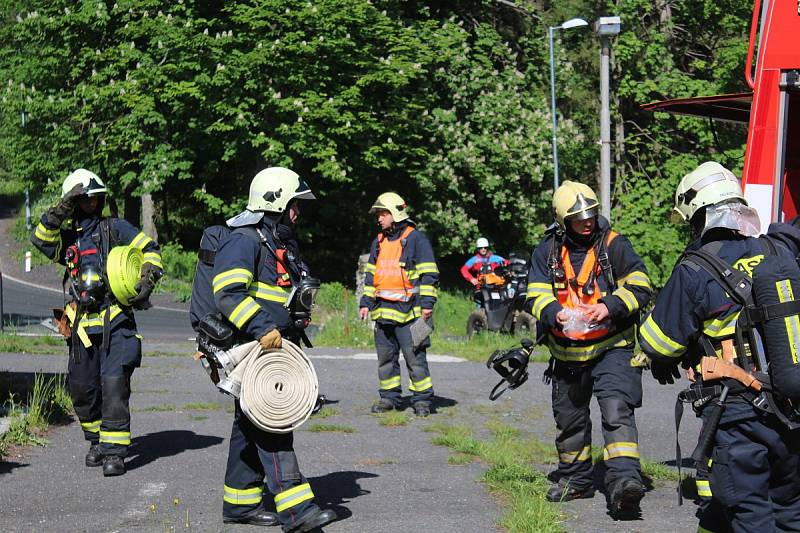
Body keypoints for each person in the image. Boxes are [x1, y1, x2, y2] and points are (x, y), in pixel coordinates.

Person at [638, 161, 800, 532]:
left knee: (750, 514)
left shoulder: (695, 268)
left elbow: (658, 342)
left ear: (699, 215)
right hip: (790, 407)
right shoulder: (778, 250)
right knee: (790, 510)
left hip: (739, 411)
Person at [211, 167, 337, 531]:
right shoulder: (245, 240)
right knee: (273, 423)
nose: (298, 213)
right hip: (255, 348)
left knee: (248, 426)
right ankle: (298, 512)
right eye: (294, 205)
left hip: (279, 346)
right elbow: (227, 292)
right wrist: (263, 327)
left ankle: (239, 505)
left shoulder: (278, 243)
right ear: (275, 202)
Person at [525, 181, 653, 515]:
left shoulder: (614, 245)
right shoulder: (546, 251)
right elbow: (535, 294)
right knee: (569, 421)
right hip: (566, 353)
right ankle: (576, 481)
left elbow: (641, 286)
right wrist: (555, 312)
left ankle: (625, 483)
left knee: (616, 412)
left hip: (613, 348)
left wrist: (609, 306)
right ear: (562, 220)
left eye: (591, 213)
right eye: (579, 216)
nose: (587, 221)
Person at [30, 169, 163, 477]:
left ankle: (115, 451)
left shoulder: (114, 228)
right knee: (82, 388)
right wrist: (62, 208)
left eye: (94, 199)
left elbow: (151, 251)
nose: (90, 204)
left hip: (115, 319)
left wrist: (147, 277)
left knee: (114, 384)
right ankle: (97, 442)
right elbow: (39, 238)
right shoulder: (68, 238)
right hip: (81, 325)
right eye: (83, 200)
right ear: (74, 203)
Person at [358, 192, 439, 417]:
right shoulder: (379, 241)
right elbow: (371, 276)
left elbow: (429, 274)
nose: (379, 218)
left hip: (410, 314)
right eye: (379, 214)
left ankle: (422, 400)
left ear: (395, 213)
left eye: (383, 213)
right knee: (385, 359)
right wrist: (366, 302)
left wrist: (427, 304)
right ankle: (389, 397)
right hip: (383, 313)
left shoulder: (416, 239)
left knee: (415, 358)